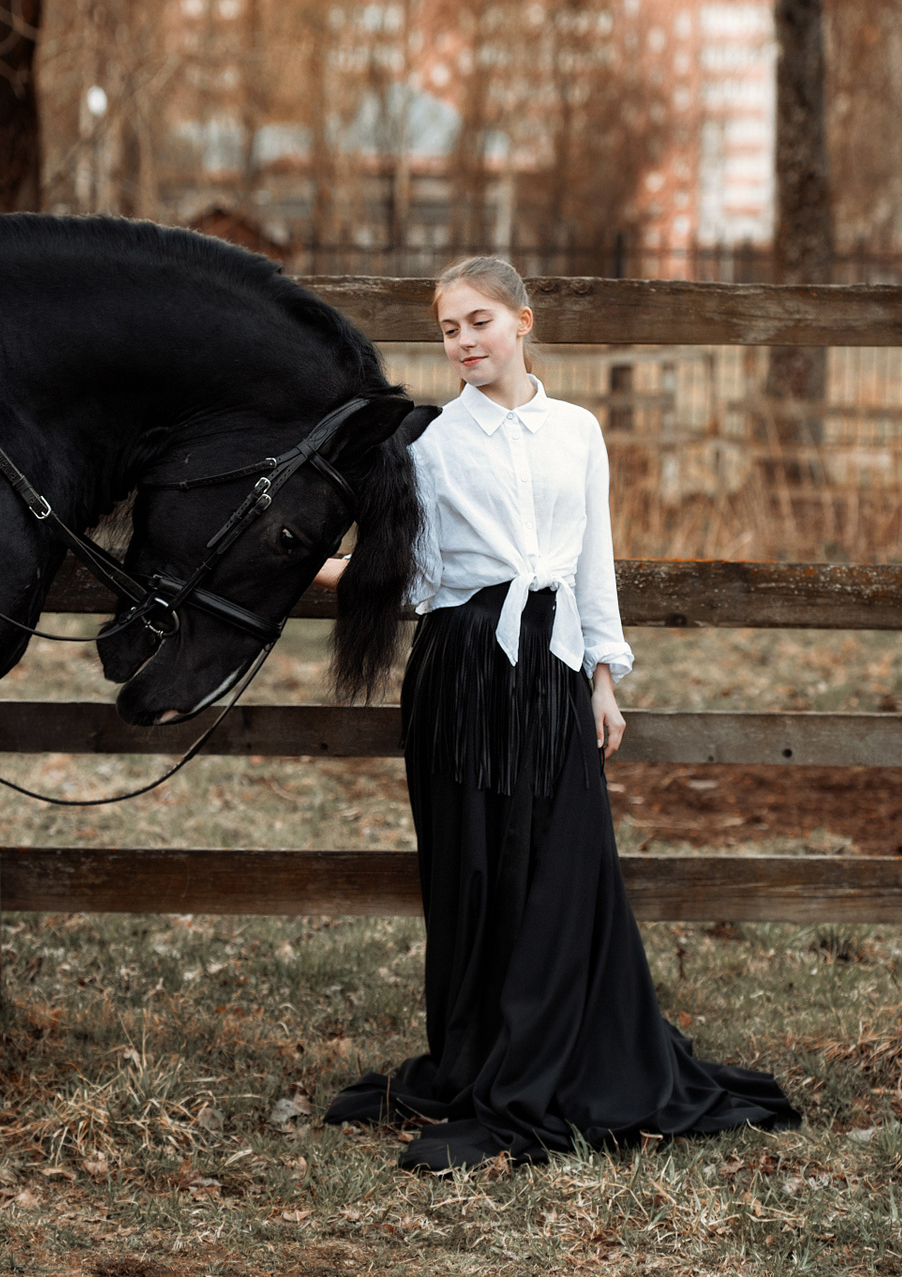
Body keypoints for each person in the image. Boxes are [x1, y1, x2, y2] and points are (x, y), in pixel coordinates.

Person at [315, 257, 799, 1172]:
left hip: (554, 667)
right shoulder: (428, 445)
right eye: (449, 329)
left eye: (479, 321)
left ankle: (566, 1054)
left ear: (522, 321)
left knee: (568, 868)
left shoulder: (577, 430)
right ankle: (482, 1053)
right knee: (473, 871)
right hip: (461, 671)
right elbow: (415, 580)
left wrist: (603, 677)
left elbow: (592, 563)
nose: (464, 342)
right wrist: (315, 566)